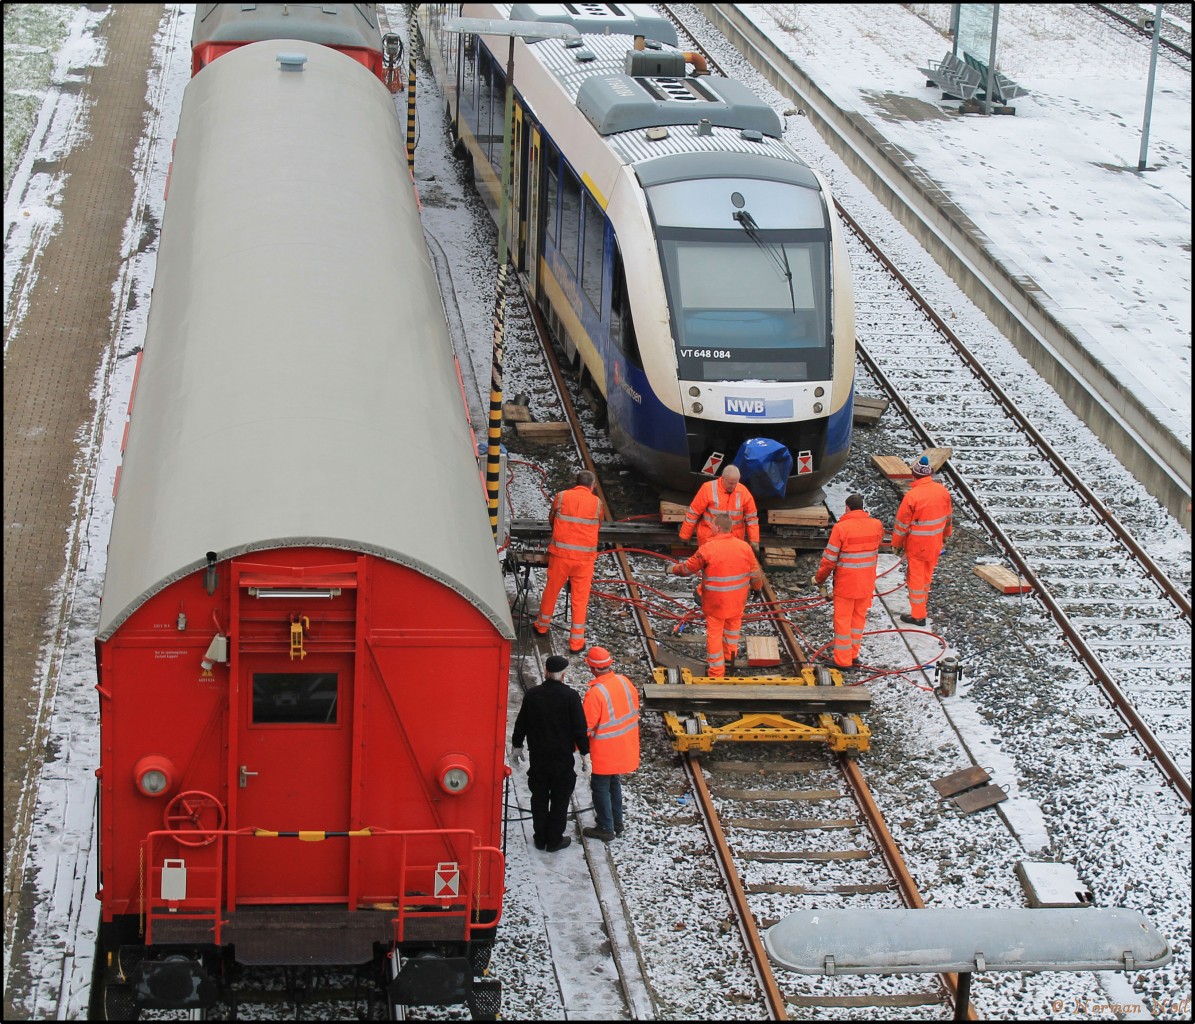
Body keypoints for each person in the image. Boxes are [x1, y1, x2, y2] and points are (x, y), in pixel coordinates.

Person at [510, 655, 590, 853]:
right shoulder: (571, 697)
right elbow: (580, 728)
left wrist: (517, 745)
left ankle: (540, 837)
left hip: (539, 758)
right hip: (562, 759)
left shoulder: (533, 695)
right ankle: (554, 839)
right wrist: (585, 755)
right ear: (563, 675)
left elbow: (522, 722)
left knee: (539, 798)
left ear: (545, 672)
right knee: (560, 799)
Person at [669, 512, 764, 677]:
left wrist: (671, 569)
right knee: (733, 631)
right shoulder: (744, 547)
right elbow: (755, 573)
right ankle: (729, 659)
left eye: (712, 525)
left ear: (718, 528)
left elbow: (686, 569)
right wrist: (757, 588)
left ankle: (716, 672)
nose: (710, 527)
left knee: (714, 634)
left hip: (715, 603)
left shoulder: (708, 549)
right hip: (737, 601)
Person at [533, 470, 603, 652]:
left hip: (561, 556)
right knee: (580, 599)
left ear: (575, 482)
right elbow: (599, 523)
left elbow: (552, 519)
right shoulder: (597, 503)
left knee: (552, 590)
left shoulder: (562, 497)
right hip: (584, 561)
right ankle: (576, 643)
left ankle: (541, 626)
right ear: (592, 486)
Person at [813, 493, 885, 668]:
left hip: (846, 584)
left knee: (843, 622)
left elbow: (829, 559)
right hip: (866, 584)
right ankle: (853, 655)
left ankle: (843, 660)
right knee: (858, 620)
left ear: (847, 508)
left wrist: (819, 578)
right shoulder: (876, 526)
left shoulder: (841, 528)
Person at [580, 647, 640, 842]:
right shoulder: (624, 682)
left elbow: (585, 727)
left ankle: (606, 827)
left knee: (600, 786)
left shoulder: (595, 694)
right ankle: (617, 822)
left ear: (592, 668)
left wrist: (575, 747)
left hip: (605, 750)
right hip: (625, 746)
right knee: (614, 784)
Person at [891, 455, 953, 626]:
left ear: (915, 475)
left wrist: (896, 544)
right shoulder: (942, 491)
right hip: (935, 544)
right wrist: (946, 534)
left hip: (917, 546)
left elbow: (902, 524)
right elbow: (948, 518)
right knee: (926, 577)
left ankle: (918, 615)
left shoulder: (912, 496)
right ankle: (922, 606)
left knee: (916, 579)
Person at [679, 464, 760, 551]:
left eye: (735, 483)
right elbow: (694, 513)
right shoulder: (708, 488)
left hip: (733, 541)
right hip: (710, 539)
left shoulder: (743, 491)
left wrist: (754, 540)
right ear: (723, 478)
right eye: (730, 483)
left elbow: (751, 518)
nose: (733, 486)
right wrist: (685, 535)